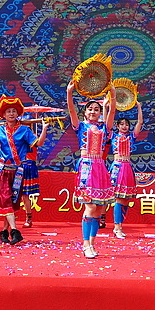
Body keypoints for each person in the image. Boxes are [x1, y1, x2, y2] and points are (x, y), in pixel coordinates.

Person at [0, 97, 49, 245]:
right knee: (5, 200)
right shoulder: (0, 129)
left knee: (10, 202)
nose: (11, 113)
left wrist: (44, 129)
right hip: (3, 170)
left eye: (13, 111)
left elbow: (39, 143)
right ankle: (15, 231)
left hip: (18, 171)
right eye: (8, 111)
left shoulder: (24, 130)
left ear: (17, 114)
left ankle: (4, 232)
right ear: (3, 115)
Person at [67, 83, 115, 258]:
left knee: (99, 208)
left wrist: (113, 95)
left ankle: (92, 243)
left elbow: (112, 114)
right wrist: (69, 92)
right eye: (90, 109)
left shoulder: (104, 128)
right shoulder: (80, 126)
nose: (93, 112)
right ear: (85, 112)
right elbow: (71, 110)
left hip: (100, 168)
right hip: (86, 166)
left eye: (96, 109)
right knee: (90, 205)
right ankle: (85, 244)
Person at [109, 104, 143, 239]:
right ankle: (117, 227)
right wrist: (107, 107)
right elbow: (107, 121)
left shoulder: (131, 137)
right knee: (118, 198)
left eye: (126, 124)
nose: (124, 126)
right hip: (117, 167)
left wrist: (139, 107)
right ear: (117, 126)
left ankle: (120, 225)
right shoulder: (112, 136)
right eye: (121, 124)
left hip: (127, 167)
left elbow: (140, 122)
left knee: (126, 199)